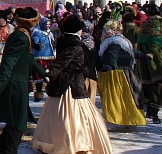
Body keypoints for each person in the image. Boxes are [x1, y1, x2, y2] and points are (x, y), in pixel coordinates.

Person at [31, 15, 113, 154]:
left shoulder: (66, 41)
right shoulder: (74, 44)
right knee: (75, 114)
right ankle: (74, 142)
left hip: (67, 81)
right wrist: (50, 72)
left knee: (58, 113)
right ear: (77, 31)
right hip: (71, 83)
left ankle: (61, 139)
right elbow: (63, 62)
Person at [0, 7, 47, 154]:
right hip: (15, 85)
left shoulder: (22, 34)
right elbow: (10, 61)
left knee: (15, 123)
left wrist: (45, 74)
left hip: (17, 84)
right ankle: (7, 150)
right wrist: (0, 85)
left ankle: (2, 148)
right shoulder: (21, 36)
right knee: (18, 124)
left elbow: (28, 58)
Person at [97, 16, 146, 126]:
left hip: (118, 73)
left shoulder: (113, 41)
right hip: (125, 70)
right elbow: (132, 52)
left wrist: (110, 66)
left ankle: (122, 119)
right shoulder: (123, 40)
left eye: (108, 29)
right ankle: (130, 118)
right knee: (129, 96)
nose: (106, 31)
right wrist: (144, 56)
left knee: (120, 97)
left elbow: (113, 55)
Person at [135, 10, 162, 124]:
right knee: (158, 88)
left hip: (142, 62)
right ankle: (154, 112)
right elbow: (158, 42)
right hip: (158, 62)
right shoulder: (161, 25)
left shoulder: (143, 29)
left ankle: (150, 109)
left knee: (147, 87)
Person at [32, 16, 55, 102]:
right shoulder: (37, 32)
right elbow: (34, 42)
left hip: (49, 56)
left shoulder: (49, 33)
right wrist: (38, 45)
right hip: (40, 57)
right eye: (47, 24)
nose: (48, 26)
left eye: (49, 24)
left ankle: (51, 90)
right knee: (40, 76)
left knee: (49, 74)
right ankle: (38, 93)